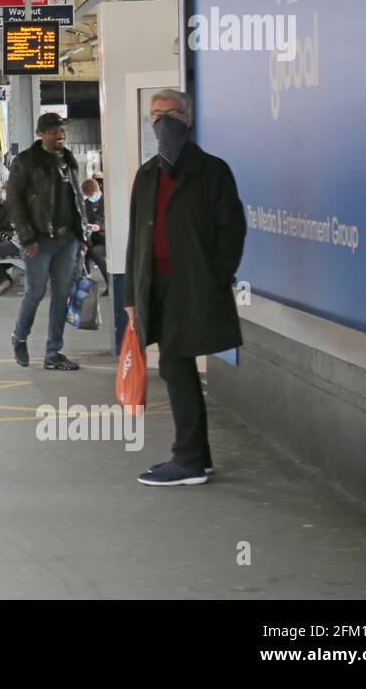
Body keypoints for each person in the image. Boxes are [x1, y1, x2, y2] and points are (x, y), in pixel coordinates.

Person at [126, 89, 246, 487]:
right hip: (153, 286)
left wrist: (217, 274)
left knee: (175, 366)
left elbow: (232, 229)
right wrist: (130, 297)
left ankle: (189, 460)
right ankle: (198, 456)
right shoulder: (146, 175)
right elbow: (135, 240)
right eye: (155, 115)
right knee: (176, 367)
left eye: (171, 114)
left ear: (189, 120)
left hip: (190, 285)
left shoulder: (212, 171)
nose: (162, 121)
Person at [8, 112, 87, 370]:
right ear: (41, 134)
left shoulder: (68, 159)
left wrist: (83, 234)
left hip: (68, 239)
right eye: (54, 132)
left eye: (62, 131)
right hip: (38, 241)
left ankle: (54, 353)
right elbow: (15, 202)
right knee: (35, 292)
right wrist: (27, 236)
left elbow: (78, 198)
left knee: (61, 294)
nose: (60, 136)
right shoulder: (26, 161)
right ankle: (20, 337)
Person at [81, 177, 109, 295]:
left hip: (105, 239)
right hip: (93, 239)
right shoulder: (86, 204)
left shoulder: (107, 201)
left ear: (98, 189)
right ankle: (85, 285)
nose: (91, 198)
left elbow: (109, 222)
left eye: (92, 195)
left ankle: (109, 283)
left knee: (95, 253)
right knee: (82, 254)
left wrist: (98, 226)